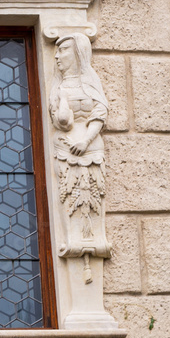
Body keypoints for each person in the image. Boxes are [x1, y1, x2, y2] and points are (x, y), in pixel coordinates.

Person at [49, 33, 111, 275]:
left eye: (63, 49)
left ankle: (92, 247)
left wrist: (86, 140)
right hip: (66, 149)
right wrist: (63, 97)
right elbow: (63, 121)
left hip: (91, 147)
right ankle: (76, 243)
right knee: (71, 195)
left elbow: (100, 112)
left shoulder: (90, 82)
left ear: (78, 53)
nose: (56, 56)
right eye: (55, 50)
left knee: (95, 194)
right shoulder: (59, 87)